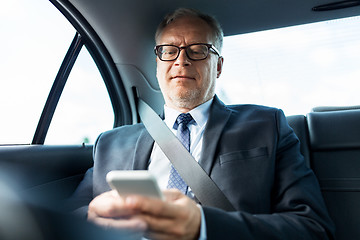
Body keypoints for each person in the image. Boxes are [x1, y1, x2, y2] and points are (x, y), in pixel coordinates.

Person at [70, 8, 335, 240]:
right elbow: (67, 219)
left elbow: (313, 228)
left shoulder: (267, 126)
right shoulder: (110, 143)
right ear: (157, 64)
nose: (181, 60)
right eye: (169, 51)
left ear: (218, 66)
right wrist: (92, 218)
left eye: (198, 51)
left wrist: (203, 225)